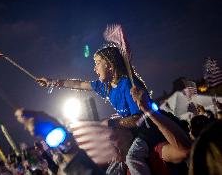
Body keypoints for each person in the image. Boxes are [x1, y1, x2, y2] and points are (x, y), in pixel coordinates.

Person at [36, 25, 161, 175]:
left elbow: (139, 119)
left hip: (145, 131)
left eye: (97, 63)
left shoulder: (127, 84)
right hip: (129, 133)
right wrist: (52, 82)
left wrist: (112, 123)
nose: (95, 68)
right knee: (114, 167)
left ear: (109, 65)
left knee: (132, 158)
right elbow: (78, 84)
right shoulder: (106, 86)